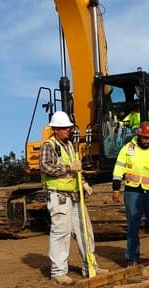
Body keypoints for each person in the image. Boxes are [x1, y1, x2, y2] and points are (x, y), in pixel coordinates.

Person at [40, 111, 100, 285]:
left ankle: (90, 266)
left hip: (74, 194)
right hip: (59, 196)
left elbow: (77, 170)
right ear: (56, 129)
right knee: (61, 233)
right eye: (64, 128)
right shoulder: (49, 146)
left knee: (85, 231)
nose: (68, 130)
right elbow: (45, 167)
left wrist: (83, 183)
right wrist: (68, 168)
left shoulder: (70, 146)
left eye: (68, 127)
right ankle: (58, 272)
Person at [112, 121, 149, 267]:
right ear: (139, 135)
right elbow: (119, 169)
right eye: (145, 138)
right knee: (133, 225)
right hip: (132, 191)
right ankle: (132, 258)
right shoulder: (127, 148)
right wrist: (116, 188)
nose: (148, 140)